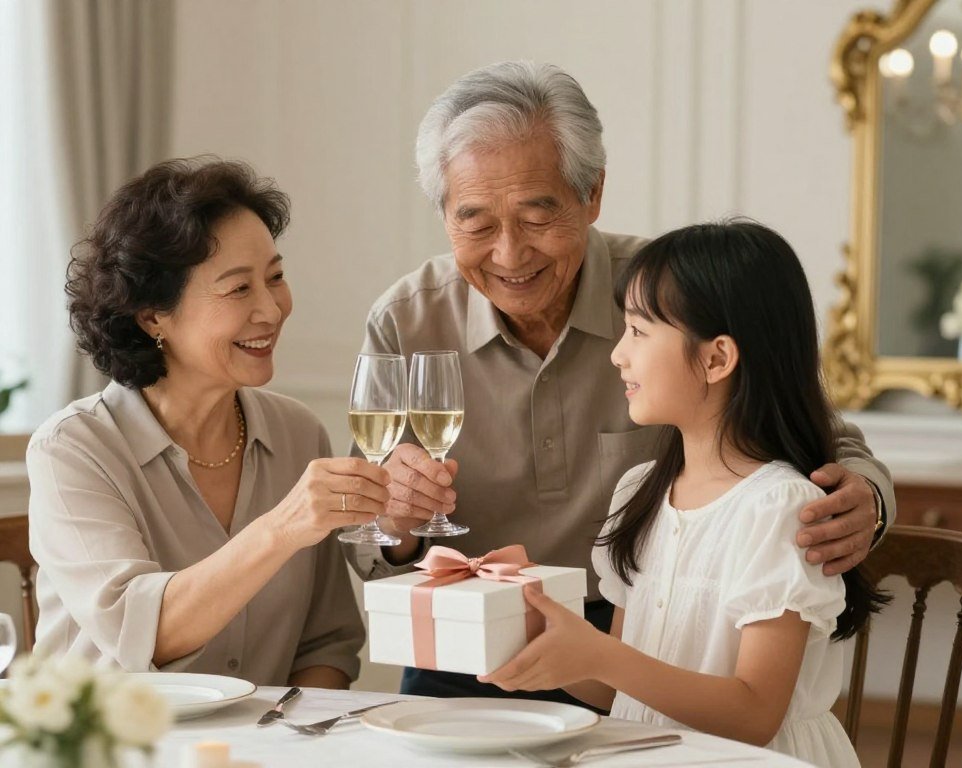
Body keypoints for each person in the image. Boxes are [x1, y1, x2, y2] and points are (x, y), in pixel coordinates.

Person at [350, 61, 894, 702]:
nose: (509, 253)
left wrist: (867, 498)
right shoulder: (406, 321)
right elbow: (370, 538)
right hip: (467, 649)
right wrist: (395, 520)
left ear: (593, 194)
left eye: (536, 216)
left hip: (649, 644)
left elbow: (805, 425)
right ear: (444, 214)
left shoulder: (668, 298)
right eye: (476, 222)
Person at [482, 221, 882, 767]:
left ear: (716, 359)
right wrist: (535, 617)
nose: (618, 355)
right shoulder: (640, 492)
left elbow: (754, 715)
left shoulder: (779, 509)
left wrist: (600, 653)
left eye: (639, 332)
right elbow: (618, 687)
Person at [27, 158, 390, 687]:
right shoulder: (73, 450)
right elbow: (145, 632)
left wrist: (290, 745)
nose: (272, 309)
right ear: (153, 316)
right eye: (239, 289)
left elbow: (327, 643)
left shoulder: (298, 434)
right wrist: (283, 527)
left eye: (276, 277)